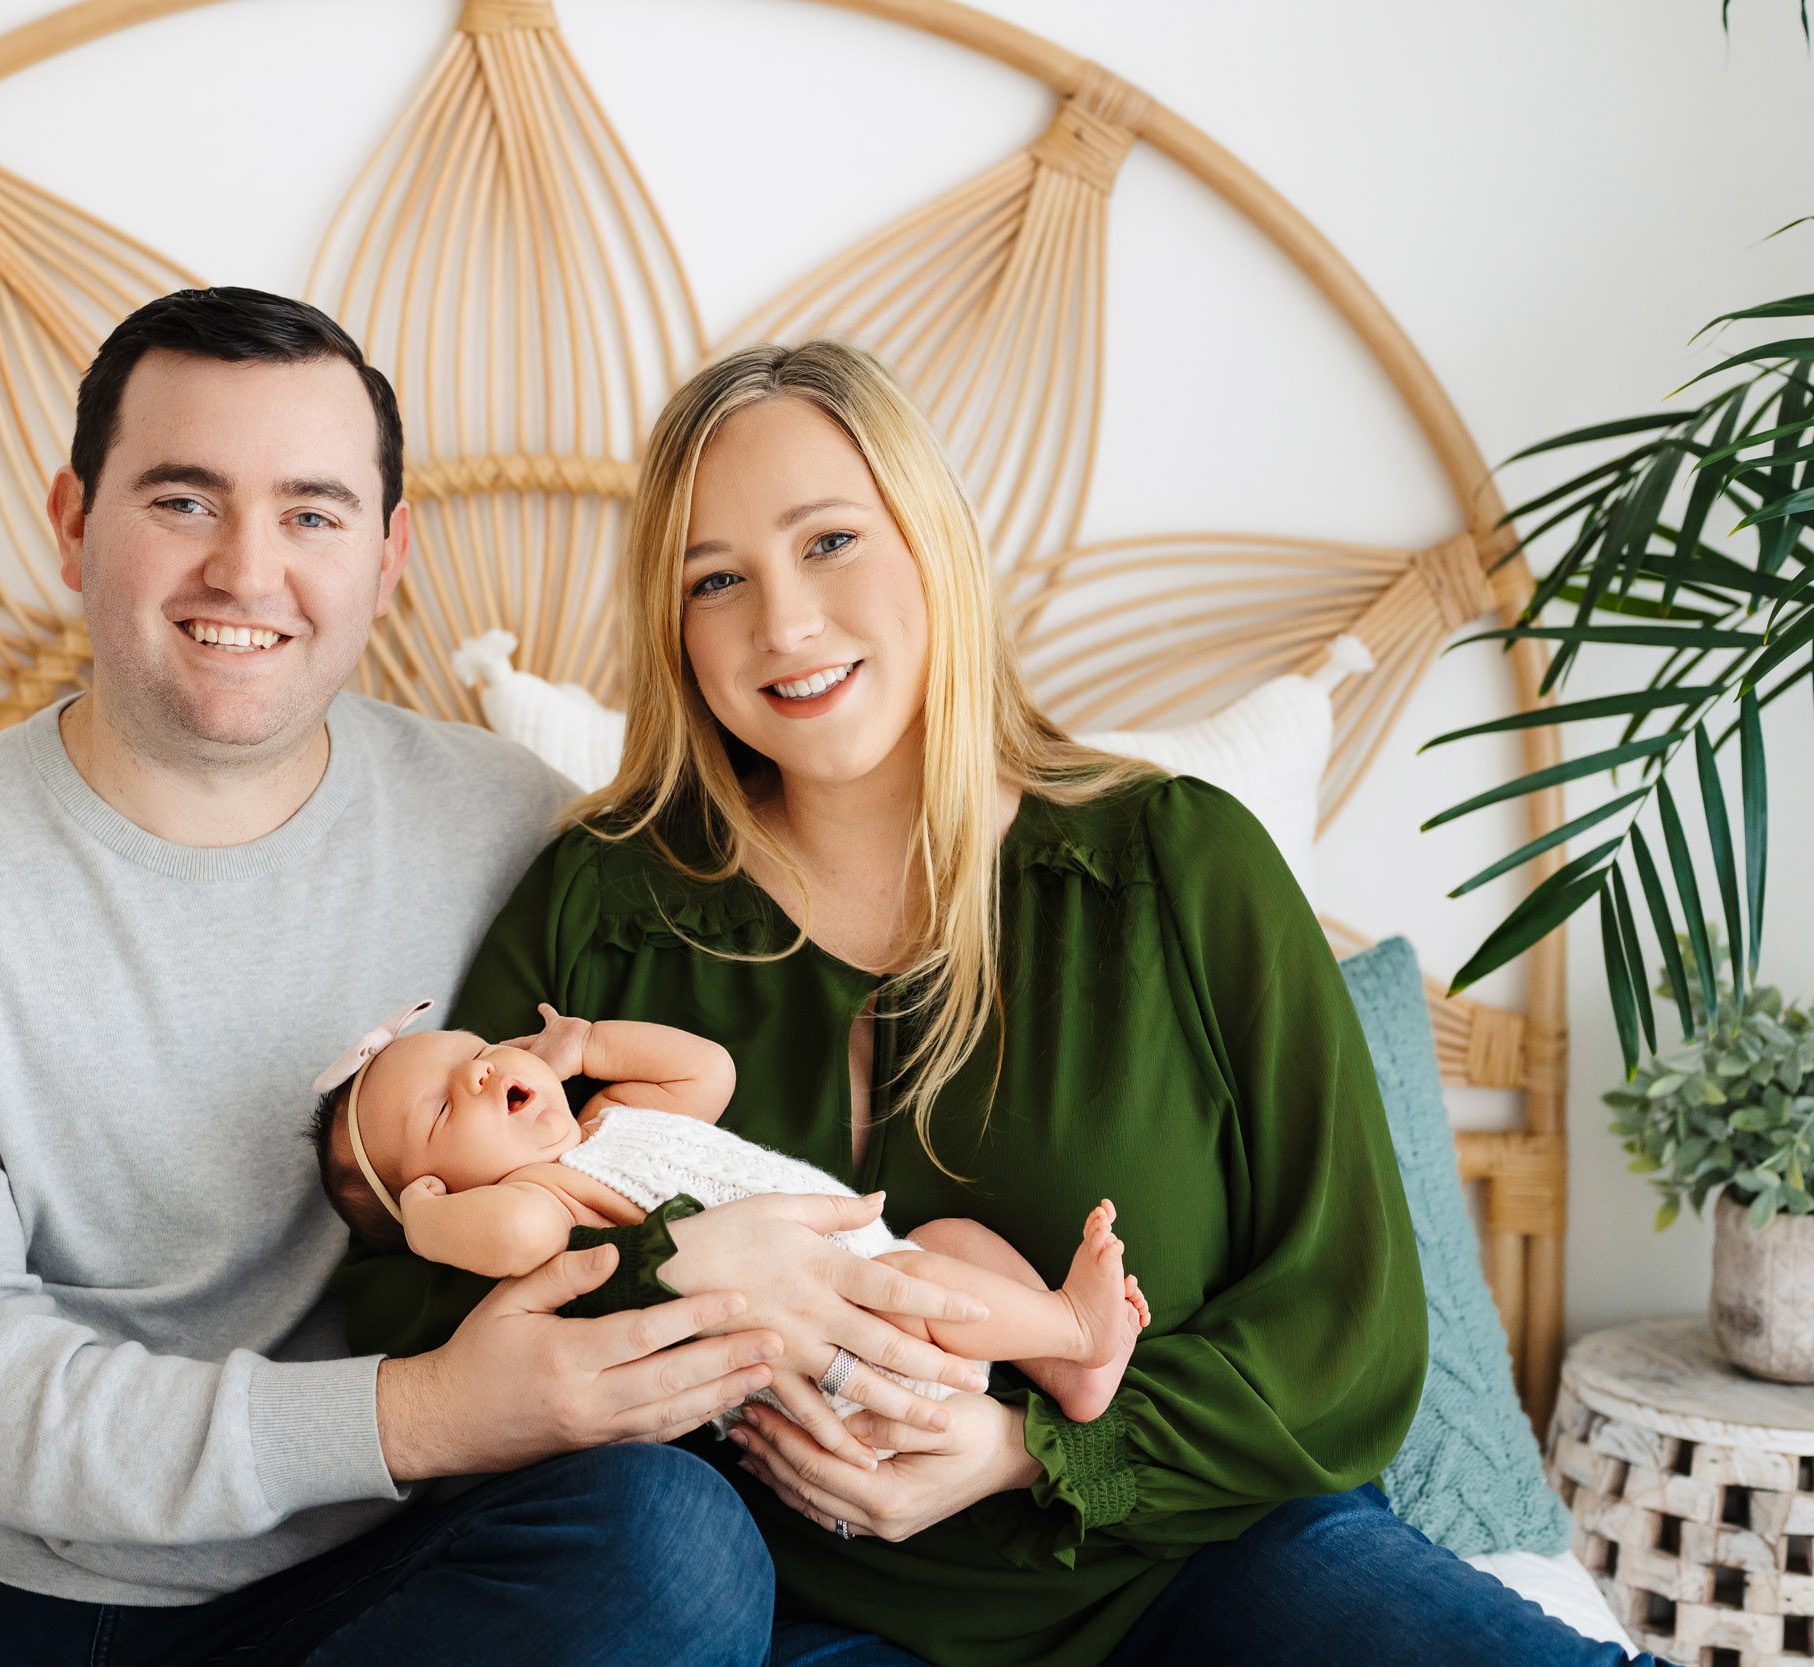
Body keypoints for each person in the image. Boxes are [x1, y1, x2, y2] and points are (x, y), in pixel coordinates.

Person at [0, 290, 964, 1665]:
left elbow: (712, 1085)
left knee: (671, 1551)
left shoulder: (513, 824)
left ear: (390, 552)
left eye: (312, 511)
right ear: (72, 517)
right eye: (184, 497)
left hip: (400, 1570)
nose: (248, 567)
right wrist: (422, 1409)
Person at [336, 339, 1670, 1666]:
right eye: (717, 578)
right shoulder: (606, 901)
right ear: (674, 626)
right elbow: (412, 1306)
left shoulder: (1180, 864)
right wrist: (670, 1268)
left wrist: (1028, 1445)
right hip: (801, 1611)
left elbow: (1349, 1329)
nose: (783, 623)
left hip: (1205, 1565)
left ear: (932, 540)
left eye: (832, 541)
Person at [311, 999, 1147, 1421]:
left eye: (473, 1051)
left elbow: (705, 1072)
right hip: (833, 1347)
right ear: (439, 1194)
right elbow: (520, 1235)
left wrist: (588, 1043)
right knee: (914, 1275)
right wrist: (428, 1226)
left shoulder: (605, 1120)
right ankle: (1074, 1325)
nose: (482, 1072)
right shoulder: (544, 1199)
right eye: (444, 1111)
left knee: (946, 1239)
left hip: (862, 1257)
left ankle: (1067, 1367)